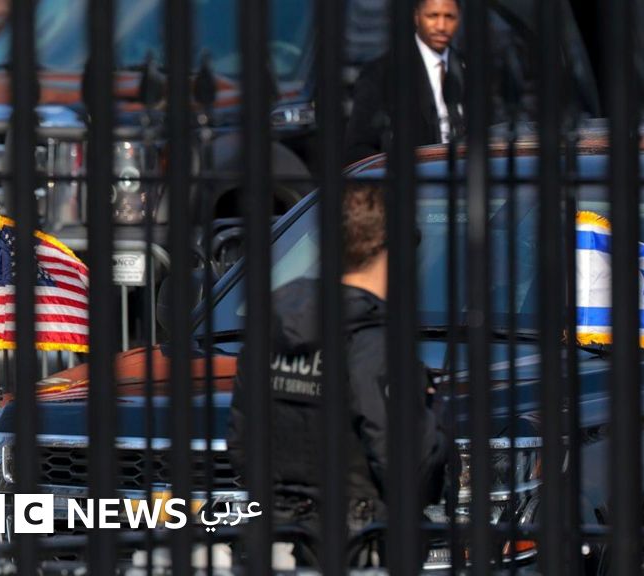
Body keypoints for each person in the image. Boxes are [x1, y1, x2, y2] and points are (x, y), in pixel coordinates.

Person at [227, 180, 447, 568]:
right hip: (361, 544)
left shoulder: (270, 328)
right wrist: (436, 424)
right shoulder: (374, 344)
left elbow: (243, 447)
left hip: (281, 540)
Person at [345, 0, 465, 165]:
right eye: (433, 16)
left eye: (449, 16)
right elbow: (358, 148)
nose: (441, 26)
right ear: (416, 16)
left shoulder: (469, 68)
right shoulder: (382, 73)